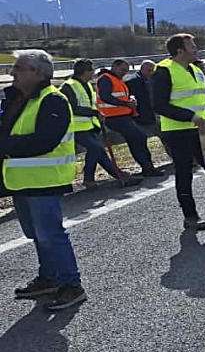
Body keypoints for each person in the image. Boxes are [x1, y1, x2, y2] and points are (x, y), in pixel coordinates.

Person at [1, 49, 86, 310]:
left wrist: (5, 146)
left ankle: (72, 285)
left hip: (44, 180)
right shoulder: (17, 99)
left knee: (50, 234)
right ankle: (49, 277)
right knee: (35, 233)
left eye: (18, 68)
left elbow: (45, 141)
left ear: (37, 73)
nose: (12, 73)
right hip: (20, 179)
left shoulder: (53, 100)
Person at [152, 34, 205, 231]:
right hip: (178, 132)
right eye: (191, 45)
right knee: (185, 173)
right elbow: (159, 105)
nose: (196, 48)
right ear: (180, 50)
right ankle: (190, 216)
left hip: (202, 130)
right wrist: (189, 116)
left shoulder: (197, 70)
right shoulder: (163, 71)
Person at [61, 59, 140, 188]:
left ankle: (119, 176)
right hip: (75, 128)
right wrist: (94, 113)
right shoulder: (69, 86)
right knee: (96, 148)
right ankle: (89, 179)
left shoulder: (86, 85)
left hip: (89, 126)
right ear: (85, 72)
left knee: (100, 152)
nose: (93, 73)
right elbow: (73, 108)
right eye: (91, 70)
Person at [96, 58, 162, 177]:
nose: (124, 73)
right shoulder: (106, 78)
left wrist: (130, 100)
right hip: (113, 117)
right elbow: (105, 96)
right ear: (115, 67)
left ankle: (147, 167)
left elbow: (121, 96)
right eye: (122, 70)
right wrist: (126, 104)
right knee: (139, 137)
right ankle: (147, 167)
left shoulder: (117, 79)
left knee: (137, 138)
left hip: (123, 115)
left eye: (126, 71)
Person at [127, 60, 158, 129]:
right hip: (140, 115)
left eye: (153, 70)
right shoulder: (132, 81)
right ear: (142, 69)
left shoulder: (151, 80)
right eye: (149, 70)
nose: (151, 73)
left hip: (150, 114)